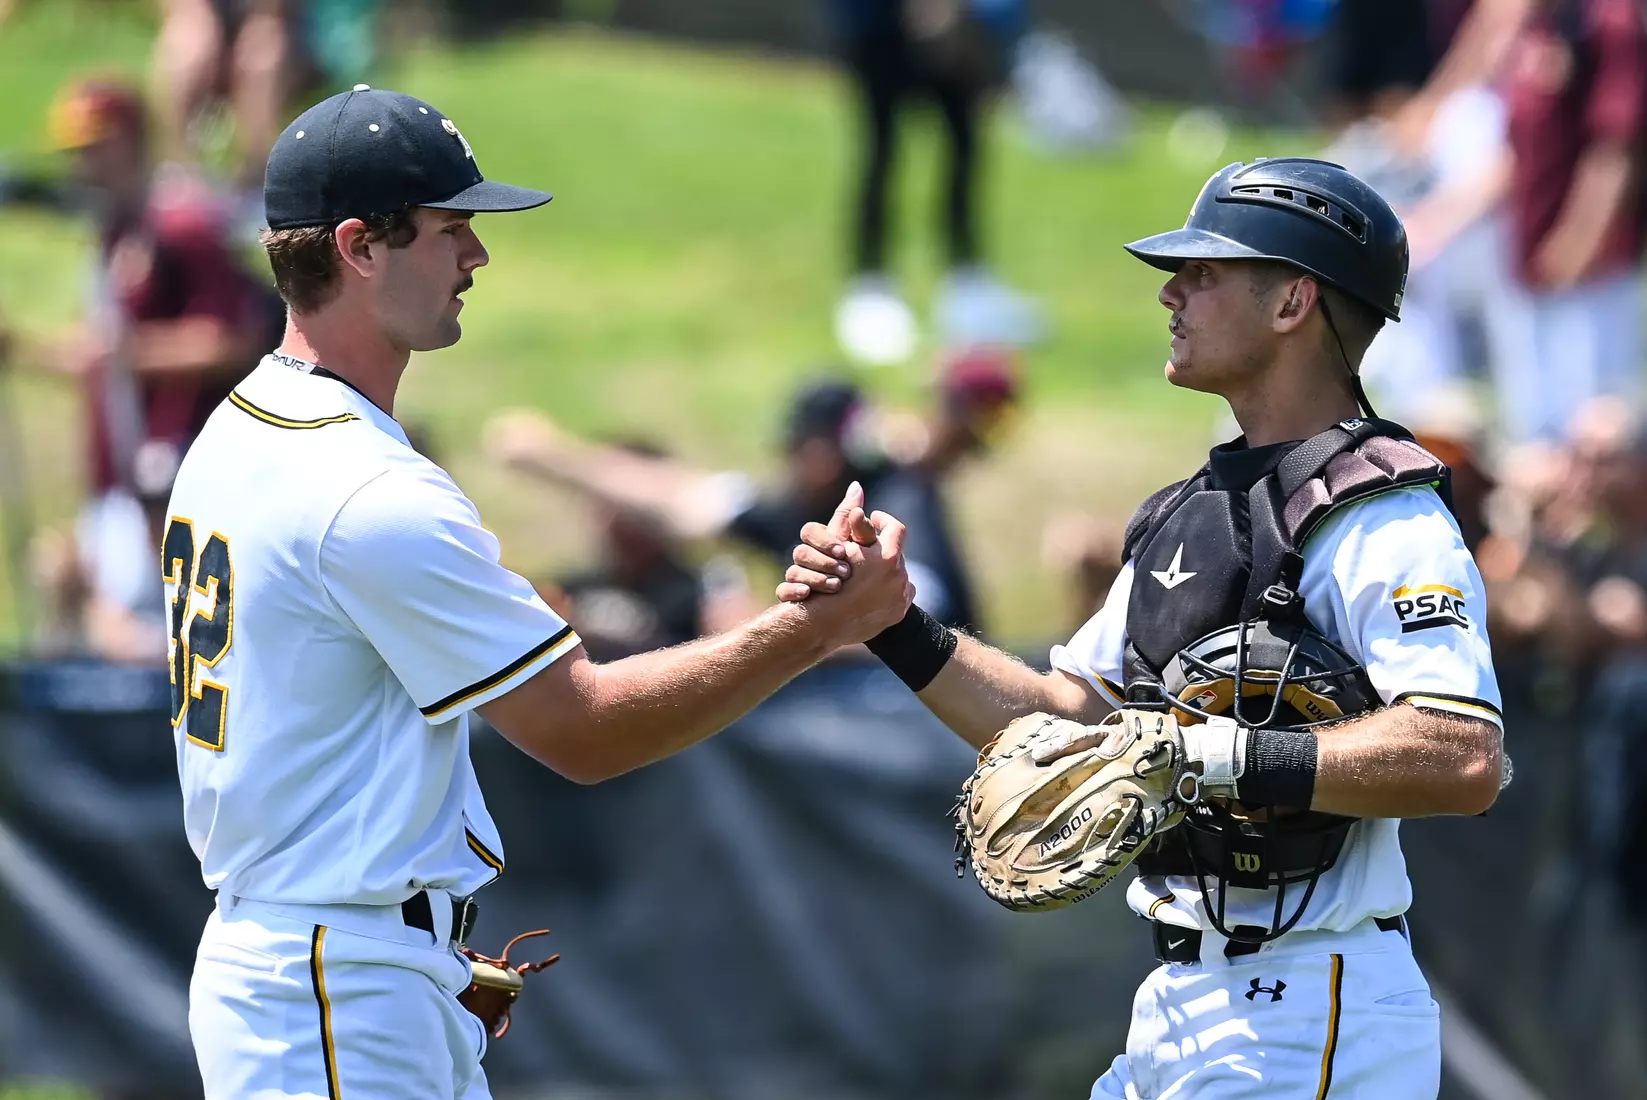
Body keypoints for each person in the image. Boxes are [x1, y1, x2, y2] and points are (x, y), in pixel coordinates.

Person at [167, 85, 912, 1100]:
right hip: (336, 983)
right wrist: (811, 628)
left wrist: (415, 941)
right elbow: (586, 728)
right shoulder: (366, 489)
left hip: (326, 957)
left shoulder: (239, 428)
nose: (476, 258)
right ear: (358, 245)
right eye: (450, 229)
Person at [782, 158, 1506, 1097]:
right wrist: (894, 625)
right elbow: (1069, 721)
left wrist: (1211, 755)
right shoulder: (1188, 512)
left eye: (1205, 272)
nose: (1172, 292)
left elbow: (1459, 756)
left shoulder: (1383, 519)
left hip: (1312, 1002)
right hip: (1176, 999)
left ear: (1292, 301)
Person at [487, 348, 1019, 633]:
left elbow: (917, 600)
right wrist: (558, 459)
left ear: (819, 453)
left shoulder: (900, 503)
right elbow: (683, 500)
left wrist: (768, 630)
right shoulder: (799, 507)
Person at [827, 0, 1040, 364]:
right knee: (882, 152)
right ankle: (870, 283)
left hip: (962, 24)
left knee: (964, 151)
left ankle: (966, 282)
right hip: (879, 25)